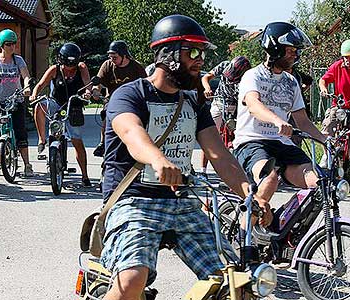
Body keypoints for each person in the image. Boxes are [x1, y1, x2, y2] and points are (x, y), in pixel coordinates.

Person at [100, 15, 251, 300]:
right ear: (167, 54)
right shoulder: (130, 94)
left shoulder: (194, 101)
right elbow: (131, 132)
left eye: (203, 53)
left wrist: (249, 195)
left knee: (236, 283)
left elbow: (219, 155)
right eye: (192, 51)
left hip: (182, 203)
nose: (200, 60)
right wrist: (157, 159)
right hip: (134, 200)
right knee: (131, 281)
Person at [232, 22, 326, 228]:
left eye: (296, 51)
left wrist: (326, 140)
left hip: (281, 144)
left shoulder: (291, 82)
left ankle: (282, 229)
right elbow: (254, 105)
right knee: (270, 177)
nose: (295, 55)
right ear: (275, 48)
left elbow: (302, 121)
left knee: (319, 184)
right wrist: (276, 120)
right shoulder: (252, 76)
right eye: (290, 50)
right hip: (252, 142)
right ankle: (243, 237)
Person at [29, 42, 92, 186]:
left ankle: (85, 175)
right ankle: (42, 139)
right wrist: (34, 94)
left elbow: (88, 83)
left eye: (72, 66)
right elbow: (40, 85)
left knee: (77, 140)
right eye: (67, 66)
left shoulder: (81, 68)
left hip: (73, 104)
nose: (70, 70)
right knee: (40, 106)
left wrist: (88, 93)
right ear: (61, 61)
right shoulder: (54, 70)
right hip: (56, 103)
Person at [0, 29, 34, 177]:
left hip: (16, 100)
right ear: (1, 45)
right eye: (8, 44)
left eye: (14, 44)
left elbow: (26, 76)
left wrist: (27, 88)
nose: (11, 47)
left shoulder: (18, 60)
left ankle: (27, 165)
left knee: (20, 132)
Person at [92, 40, 147, 157]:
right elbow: (99, 82)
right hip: (112, 100)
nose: (112, 60)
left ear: (124, 56)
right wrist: (95, 90)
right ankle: (103, 143)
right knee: (106, 116)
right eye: (110, 57)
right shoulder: (107, 65)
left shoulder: (136, 67)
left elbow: (146, 85)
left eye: (115, 57)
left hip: (133, 102)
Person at [199, 56, 251, 175]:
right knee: (209, 133)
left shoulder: (248, 78)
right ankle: (203, 171)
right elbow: (206, 77)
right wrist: (207, 88)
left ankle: (240, 170)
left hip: (236, 106)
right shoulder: (224, 65)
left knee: (242, 135)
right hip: (219, 101)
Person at [319, 39, 350, 137]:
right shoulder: (337, 66)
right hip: (340, 107)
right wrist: (323, 89)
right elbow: (323, 80)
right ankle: (327, 152)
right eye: (346, 57)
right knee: (327, 128)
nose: (348, 60)